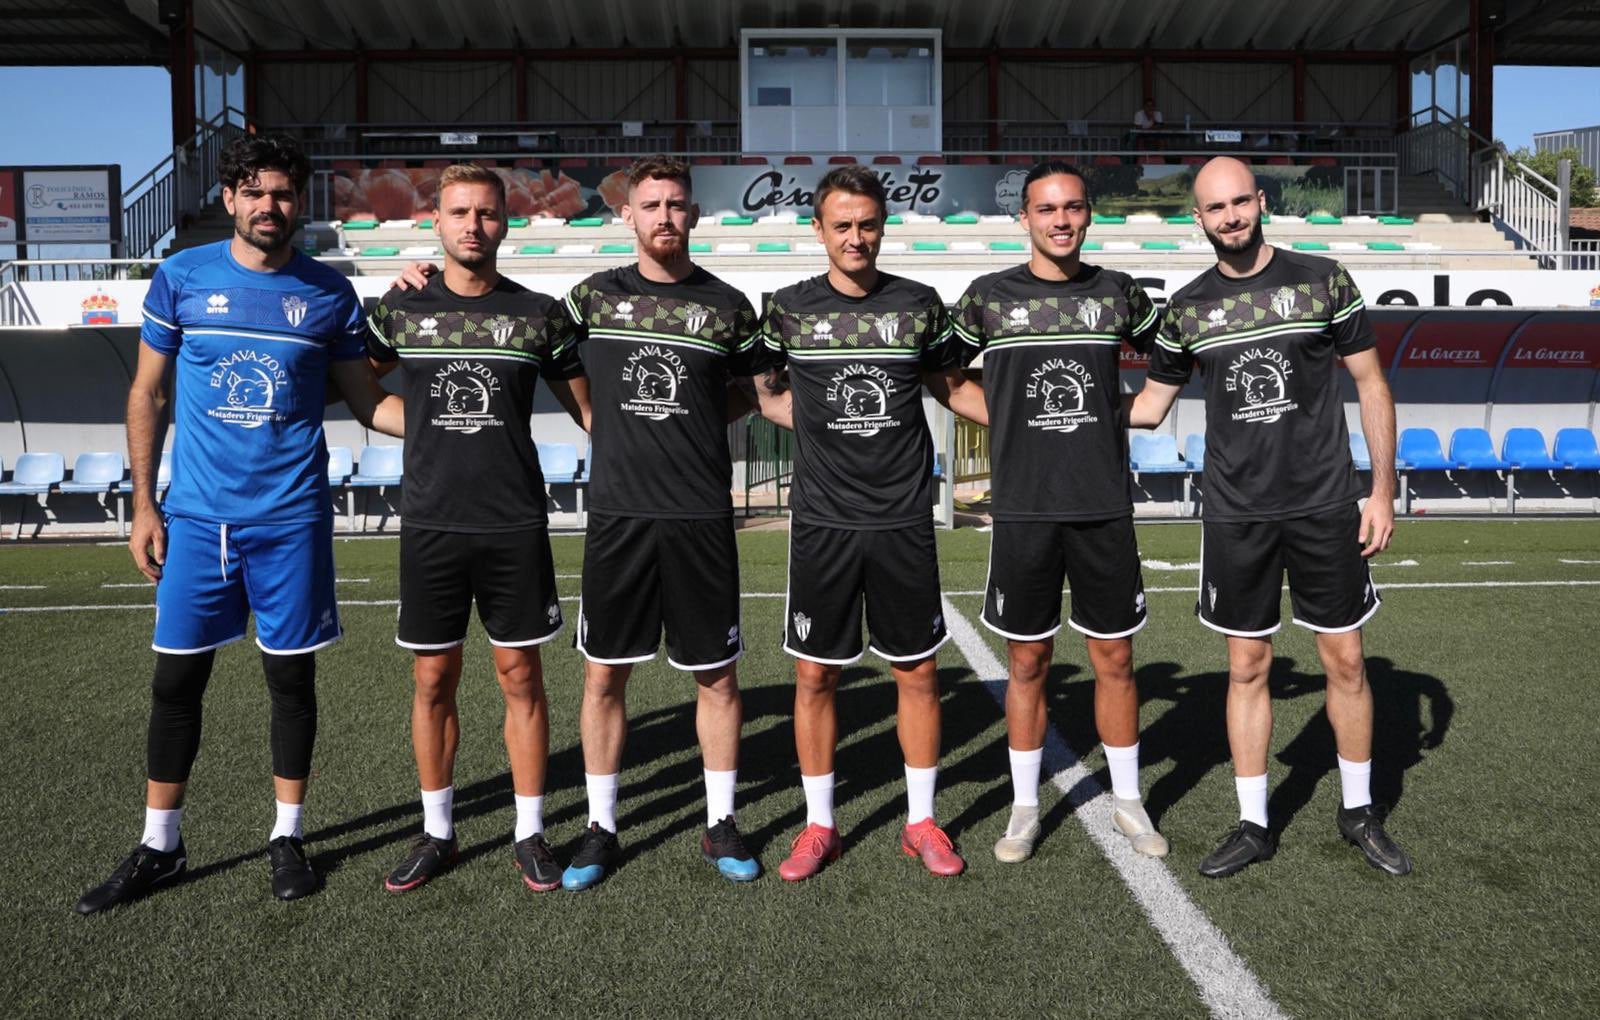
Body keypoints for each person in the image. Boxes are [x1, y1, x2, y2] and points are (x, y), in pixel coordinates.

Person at [75, 134, 404, 914]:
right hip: (195, 519)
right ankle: (161, 845)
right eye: (253, 192)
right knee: (176, 681)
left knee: (290, 681)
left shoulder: (328, 293)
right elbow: (148, 394)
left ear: (299, 203)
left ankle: (287, 836)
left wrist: (458, 428)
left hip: (291, 520)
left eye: (282, 193)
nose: (268, 206)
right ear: (229, 199)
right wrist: (144, 505)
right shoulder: (182, 276)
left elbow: (367, 403)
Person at [1128, 155, 1411, 878]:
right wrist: (1043, 406)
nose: (1230, 217)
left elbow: (1372, 383)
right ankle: (1254, 823)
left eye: (1240, 202)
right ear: (1198, 218)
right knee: (1247, 665)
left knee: (1345, 660)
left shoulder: (1322, 280)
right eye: (1215, 208)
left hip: (1324, 503)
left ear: (1260, 201)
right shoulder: (1187, 308)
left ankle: (1359, 811)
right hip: (1237, 513)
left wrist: (1381, 491)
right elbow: (1150, 406)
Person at [743, 165, 988, 881]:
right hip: (823, 522)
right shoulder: (787, 309)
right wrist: (815, 425)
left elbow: (953, 388)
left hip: (901, 519)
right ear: (818, 230)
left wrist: (1032, 425)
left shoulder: (918, 305)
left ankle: (921, 822)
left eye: (868, 224)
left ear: (883, 227)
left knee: (917, 671)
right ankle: (820, 825)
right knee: (815, 674)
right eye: (842, 225)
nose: (856, 237)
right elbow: (763, 391)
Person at [368, 164, 591, 895]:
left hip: (512, 522)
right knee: (432, 678)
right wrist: (421, 424)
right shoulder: (401, 308)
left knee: (521, 676)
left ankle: (529, 831)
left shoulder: (539, 314)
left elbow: (593, 412)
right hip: (431, 522)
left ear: (506, 222)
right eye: (460, 212)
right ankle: (437, 831)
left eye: (488, 213)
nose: (474, 225)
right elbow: (355, 387)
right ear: (435, 221)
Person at [951, 161, 1168, 863]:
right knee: (1027, 662)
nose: (1061, 220)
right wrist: (1007, 418)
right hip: (1025, 509)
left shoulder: (1118, 292)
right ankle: (1024, 807)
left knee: (1115, 658)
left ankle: (1128, 800)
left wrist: (1136, 411)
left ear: (1089, 214)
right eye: (1046, 209)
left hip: (1102, 505)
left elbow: (1173, 353)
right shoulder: (988, 297)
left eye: (1073, 207)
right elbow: (942, 375)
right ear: (1025, 218)